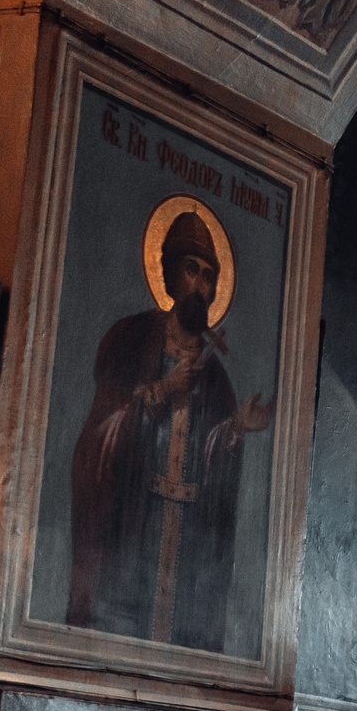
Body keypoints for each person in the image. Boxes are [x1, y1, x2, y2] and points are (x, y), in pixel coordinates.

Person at [66, 204, 275, 650]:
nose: (200, 284)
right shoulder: (129, 340)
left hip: (185, 546)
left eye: (208, 277)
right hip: (132, 528)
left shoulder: (215, 376)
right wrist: (161, 391)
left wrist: (234, 429)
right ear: (168, 276)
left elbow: (212, 461)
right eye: (191, 269)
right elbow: (99, 439)